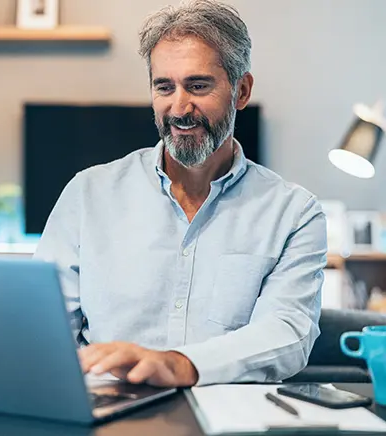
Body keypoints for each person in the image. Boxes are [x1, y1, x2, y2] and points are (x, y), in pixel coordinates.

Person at [34, 0, 327, 387]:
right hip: (109, 409)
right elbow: (43, 328)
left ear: (241, 91)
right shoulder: (87, 194)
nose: (179, 107)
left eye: (198, 85)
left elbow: (287, 334)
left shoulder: (295, 213)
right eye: (164, 87)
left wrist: (178, 364)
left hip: (229, 416)